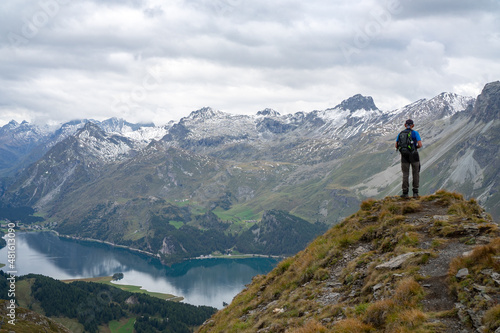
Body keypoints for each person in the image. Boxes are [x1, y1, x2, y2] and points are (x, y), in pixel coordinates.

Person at [395, 119, 423, 198]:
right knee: (415, 173)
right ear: (412, 125)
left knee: (405, 174)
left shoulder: (400, 134)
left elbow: (396, 146)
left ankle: (405, 193)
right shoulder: (415, 133)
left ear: (405, 125)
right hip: (414, 156)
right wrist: (414, 147)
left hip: (404, 156)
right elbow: (420, 145)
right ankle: (415, 193)